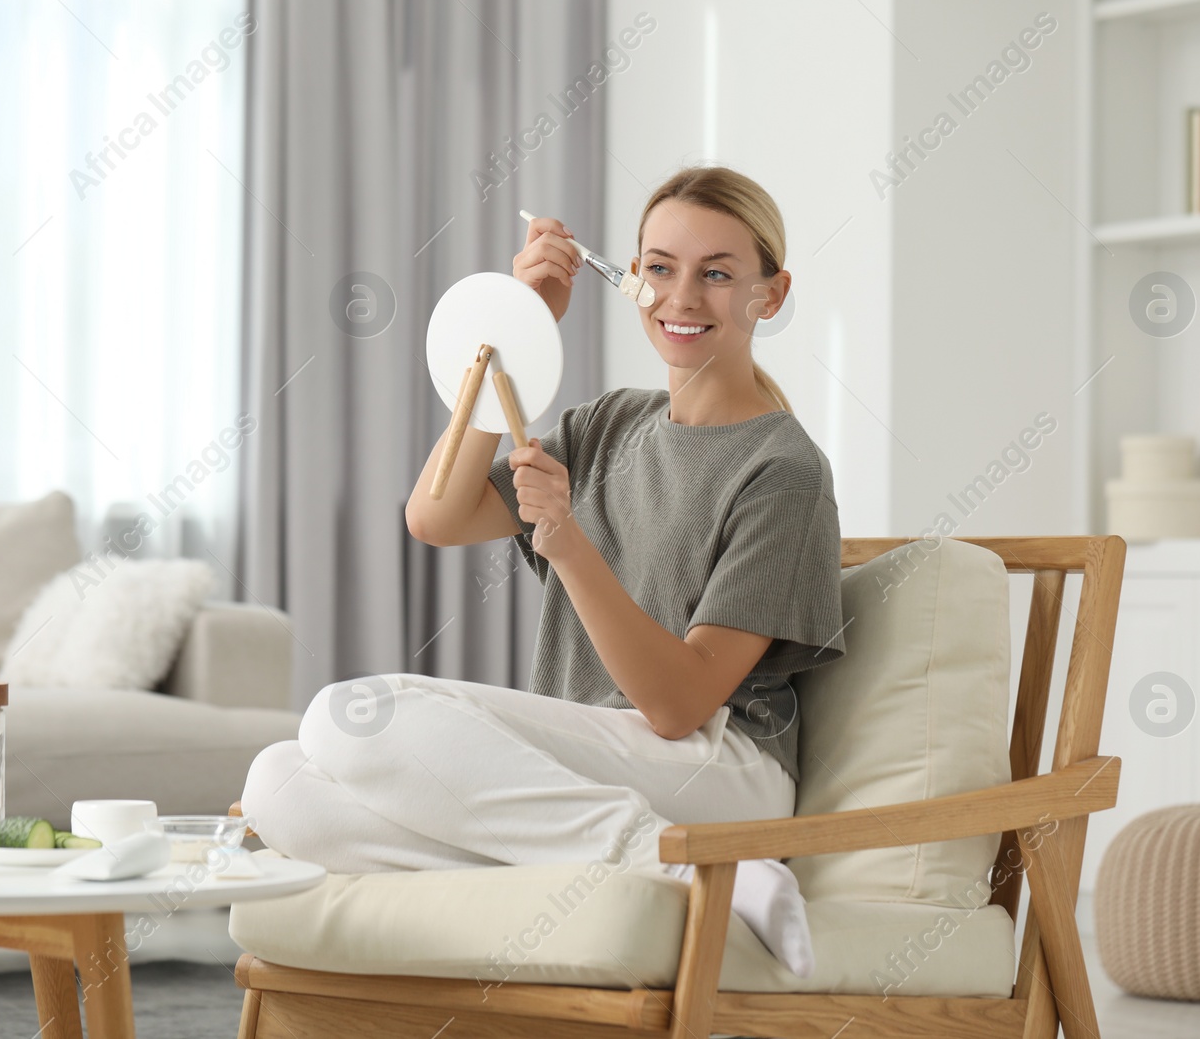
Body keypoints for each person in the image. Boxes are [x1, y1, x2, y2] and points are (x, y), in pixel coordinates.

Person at [240, 165, 846, 979]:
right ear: (630, 278)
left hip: (717, 765)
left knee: (350, 712)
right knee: (282, 784)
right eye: (660, 267)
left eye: (718, 274)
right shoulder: (610, 423)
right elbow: (436, 514)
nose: (682, 298)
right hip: (596, 763)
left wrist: (565, 539)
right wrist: (515, 329)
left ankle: (677, 861)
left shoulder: (783, 468)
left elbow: (676, 705)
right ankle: (617, 872)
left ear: (768, 296)